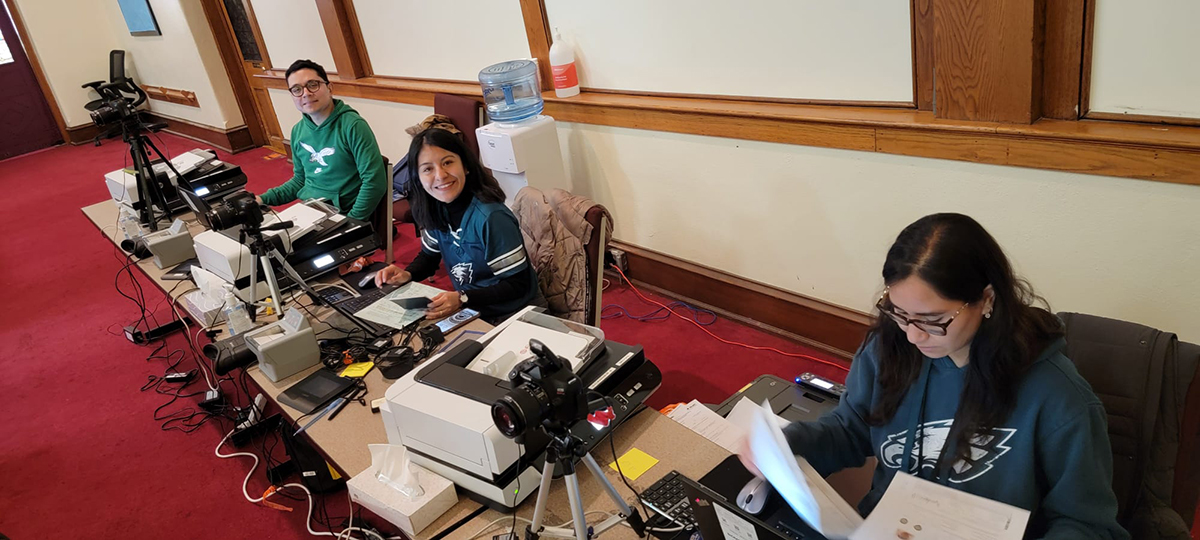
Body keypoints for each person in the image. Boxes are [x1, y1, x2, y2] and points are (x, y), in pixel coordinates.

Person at [740, 213, 1128, 539]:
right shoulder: (889, 348)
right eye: (898, 312)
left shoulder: (1058, 397)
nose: (913, 335)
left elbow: (1087, 525)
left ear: (987, 299)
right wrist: (785, 446)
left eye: (933, 320)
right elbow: (852, 429)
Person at [374, 127, 542, 323]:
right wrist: (407, 274)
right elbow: (429, 256)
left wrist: (463, 298)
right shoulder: (436, 207)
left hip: (515, 312)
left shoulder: (491, 217)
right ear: (417, 177)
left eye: (447, 162)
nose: (440, 175)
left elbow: (517, 285)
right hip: (473, 307)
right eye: (428, 169)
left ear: (466, 166)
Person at [259, 59, 387, 221]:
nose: (306, 93)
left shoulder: (352, 125)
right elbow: (300, 181)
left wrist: (352, 222)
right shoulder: (298, 131)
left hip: (343, 214)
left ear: (329, 88)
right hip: (311, 210)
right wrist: (262, 199)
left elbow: (374, 182)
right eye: (297, 89)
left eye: (313, 85)